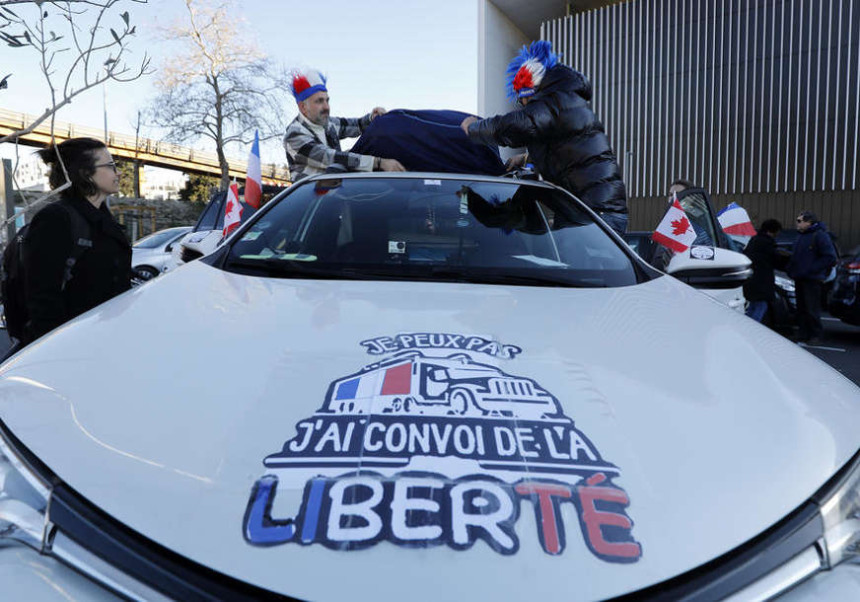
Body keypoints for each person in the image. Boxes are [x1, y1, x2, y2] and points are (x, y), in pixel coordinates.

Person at [459, 41, 628, 235]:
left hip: (598, 217)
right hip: (595, 213)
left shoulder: (556, 101)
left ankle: (498, 215)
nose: (523, 105)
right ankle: (494, 214)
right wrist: (526, 158)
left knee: (531, 191)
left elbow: (519, 125)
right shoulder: (565, 102)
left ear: (533, 91)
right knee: (530, 190)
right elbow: (565, 149)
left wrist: (473, 128)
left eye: (524, 100)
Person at [22, 137, 132, 344]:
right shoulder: (56, 219)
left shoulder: (103, 218)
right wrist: (58, 346)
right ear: (86, 174)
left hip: (106, 338)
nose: (117, 172)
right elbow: (43, 298)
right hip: (71, 345)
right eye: (110, 165)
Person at [283, 69, 405, 181]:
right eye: (319, 101)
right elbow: (331, 158)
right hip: (311, 200)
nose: (326, 107)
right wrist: (378, 163)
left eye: (327, 100)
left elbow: (356, 125)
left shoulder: (328, 123)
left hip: (337, 191)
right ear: (303, 107)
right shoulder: (294, 135)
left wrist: (372, 117)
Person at [786, 210, 838, 344]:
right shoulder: (801, 236)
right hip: (800, 277)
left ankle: (816, 334)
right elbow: (795, 256)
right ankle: (803, 333)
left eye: (799, 221)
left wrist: (811, 269)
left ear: (809, 222)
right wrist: (791, 269)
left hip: (812, 278)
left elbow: (830, 257)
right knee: (802, 308)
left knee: (812, 308)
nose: (797, 223)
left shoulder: (819, 236)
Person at [743, 219, 788, 323]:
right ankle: (753, 329)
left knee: (752, 307)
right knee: (760, 307)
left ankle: (747, 326)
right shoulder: (768, 244)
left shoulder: (753, 241)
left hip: (751, 279)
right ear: (771, 231)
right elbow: (777, 261)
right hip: (762, 281)